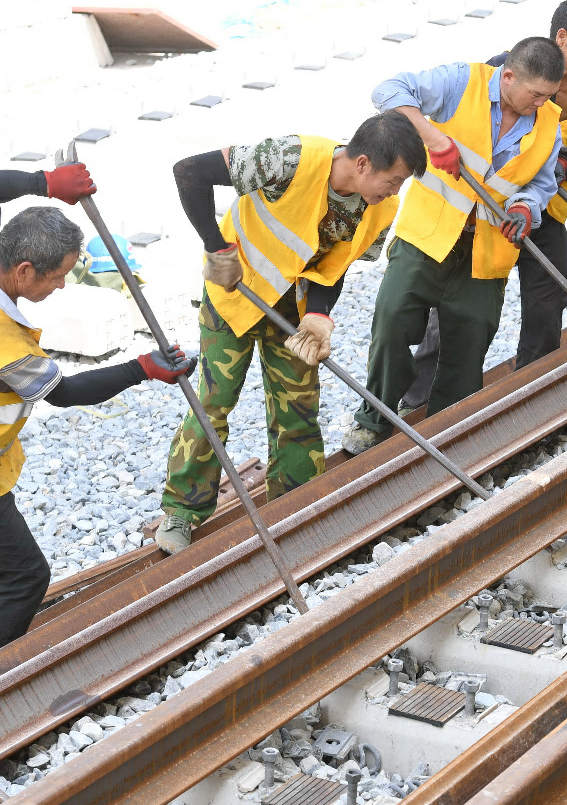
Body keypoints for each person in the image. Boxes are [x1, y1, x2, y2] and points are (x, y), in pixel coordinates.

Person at [0, 163, 196, 689]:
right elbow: (65, 393)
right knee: (23, 578)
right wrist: (142, 369)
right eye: (59, 273)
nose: (64, 282)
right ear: (24, 272)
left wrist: (45, 182)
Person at [154, 112, 425, 553]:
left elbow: (336, 265)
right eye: (393, 180)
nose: (395, 191)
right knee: (213, 402)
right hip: (234, 294)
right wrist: (215, 245)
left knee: (298, 405)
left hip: (292, 309)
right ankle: (181, 513)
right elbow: (189, 171)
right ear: (361, 164)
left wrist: (319, 315)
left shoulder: (381, 208)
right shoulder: (290, 159)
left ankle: (299, 507)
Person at [341, 37, 564, 455]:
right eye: (535, 94)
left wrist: (525, 208)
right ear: (509, 76)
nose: (540, 104)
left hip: (485, 253)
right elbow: (387, 90)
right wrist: (432, 137)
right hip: (427, 237)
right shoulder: (463, 83)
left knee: (470, 341)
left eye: (548, 96)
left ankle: (448, 434)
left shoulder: (549, 121)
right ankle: (374, 420)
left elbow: (542, 182)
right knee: (391, 322)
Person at [400, 0, 567, 410]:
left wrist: (565, 163)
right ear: (562, 37)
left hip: (539, 206)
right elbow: (477, 118)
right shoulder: (508, 68)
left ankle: (534, 382)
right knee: (454, 301)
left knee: (549, 292)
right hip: (480, 211)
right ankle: (421, 393)